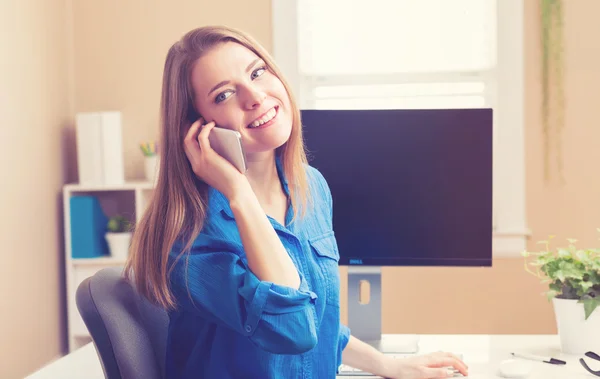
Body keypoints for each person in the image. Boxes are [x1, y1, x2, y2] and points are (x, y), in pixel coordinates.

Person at [124, 25, 469, 379]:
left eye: (258, 72)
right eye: (224, 95)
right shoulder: (186, 232)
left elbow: (318, 320)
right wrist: (240, 195)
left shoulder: (310, 188)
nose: (255, 97)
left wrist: (390, 366)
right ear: (196, 127)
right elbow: (292, 329)